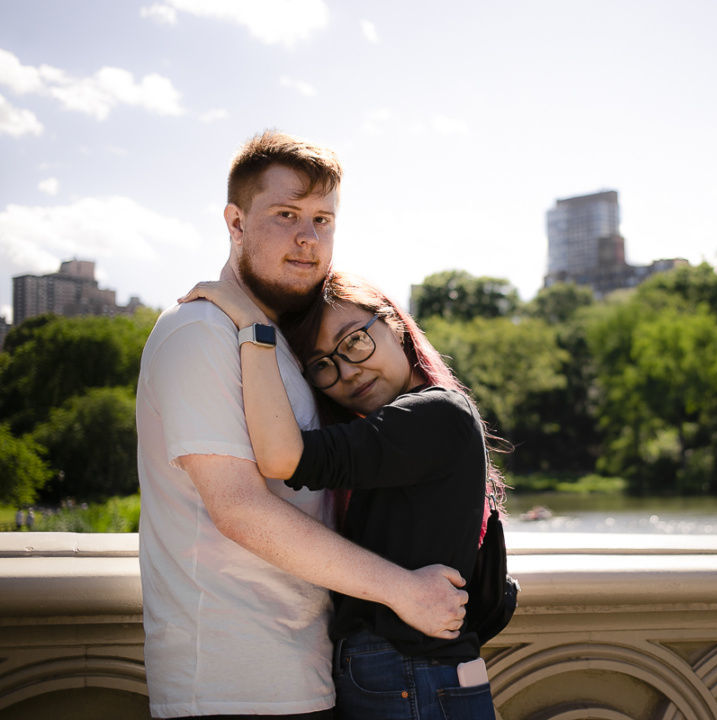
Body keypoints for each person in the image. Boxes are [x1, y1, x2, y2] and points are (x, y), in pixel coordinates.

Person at [137, 131, 468, 720]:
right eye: (286, 214)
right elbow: (238, 508)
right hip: (228, 683)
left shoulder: (283, 346)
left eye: (323, 219)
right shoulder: (199, 334)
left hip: (305, 671)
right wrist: (401, 589)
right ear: (235, 222)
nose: (308, 238)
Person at [180, 271, 505, 720]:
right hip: (421, 674)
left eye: (354, 342)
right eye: (322, 365)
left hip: (412, 673)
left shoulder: (435, 414)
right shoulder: (413, 424)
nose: (347, 371)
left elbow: (281, 458)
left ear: (392, 324)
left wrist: (252, 325)